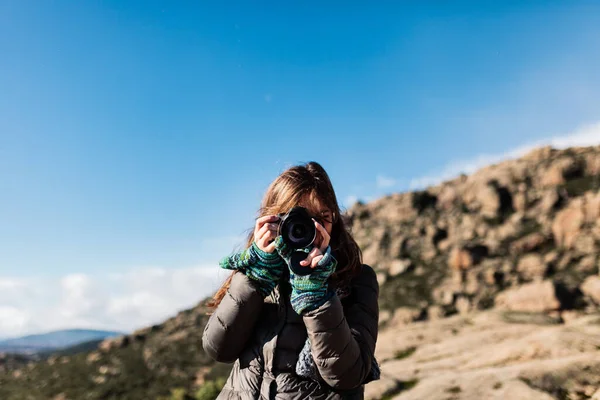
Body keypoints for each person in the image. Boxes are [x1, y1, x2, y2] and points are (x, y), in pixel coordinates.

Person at [202, 161, 379, 400]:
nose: (308, 228)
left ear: (334, 220)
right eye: (295, 219)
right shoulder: (257, 271)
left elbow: (348, 375)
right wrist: (254, 279)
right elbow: (218, 349)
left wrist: (317, 296)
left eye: (322, 217)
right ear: (271, 220)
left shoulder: (357, 279)